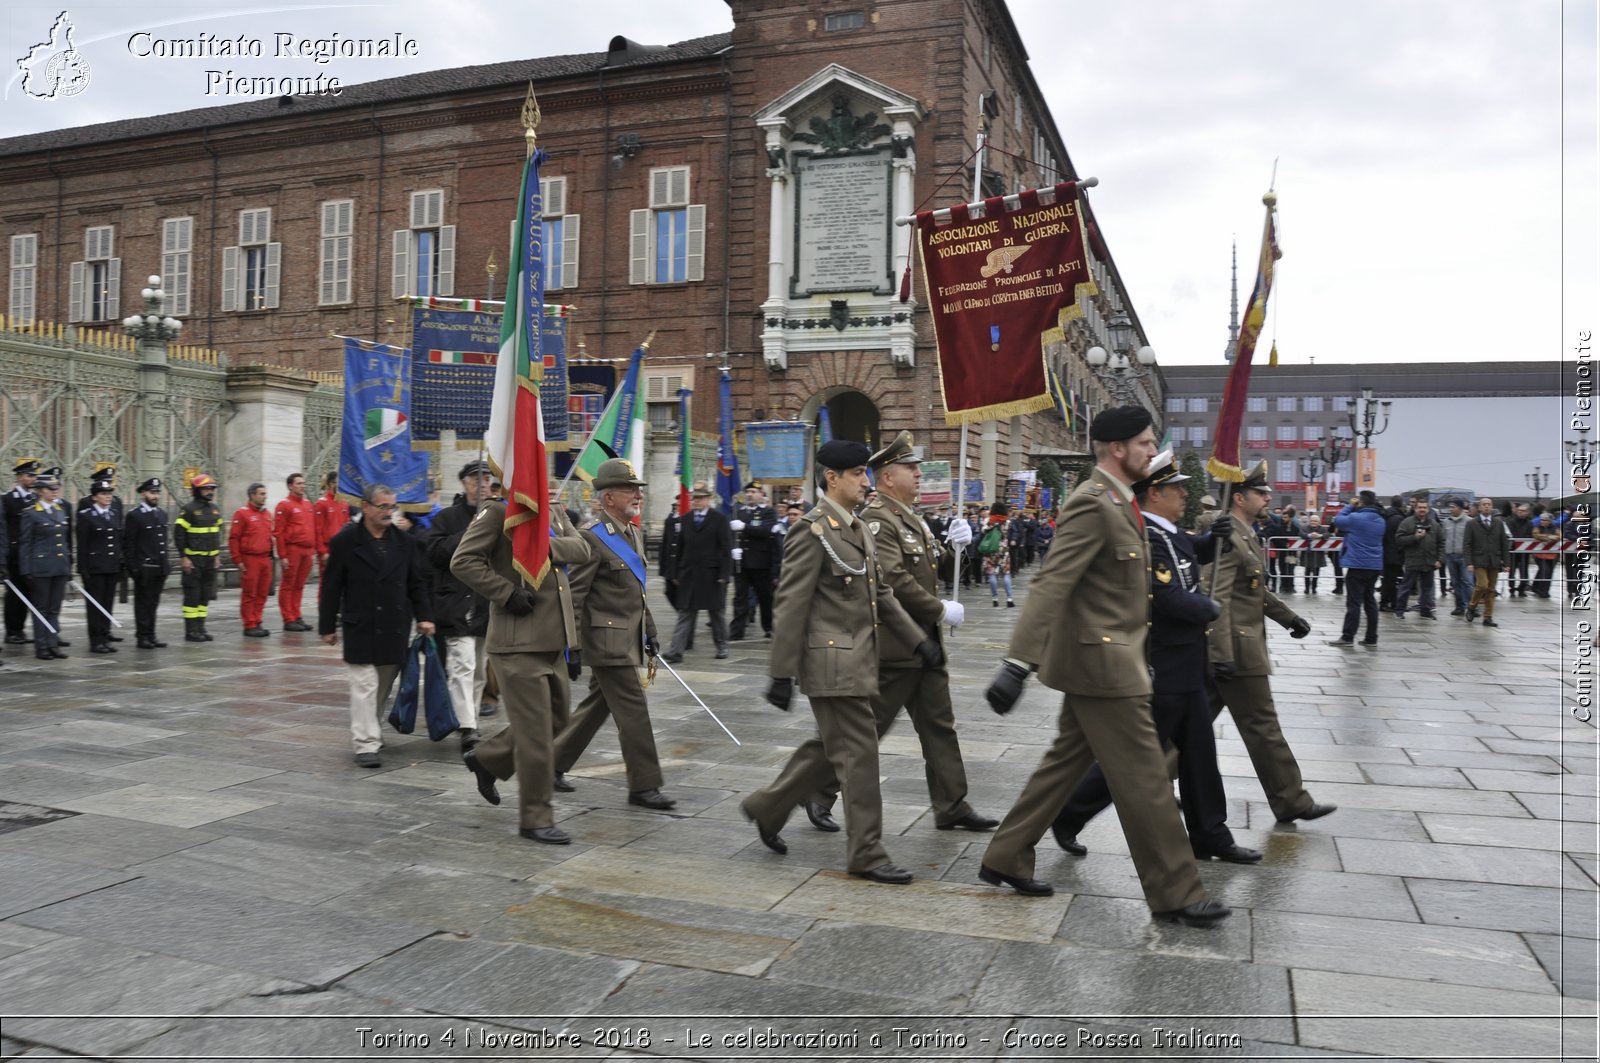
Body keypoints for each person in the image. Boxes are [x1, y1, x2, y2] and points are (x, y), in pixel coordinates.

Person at [980, 407, 1227, 926]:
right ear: (1117, 448)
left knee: (1062, 766)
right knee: (1147, 782)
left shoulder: (1120, 502)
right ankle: (1177, 891)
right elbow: (1052, 583)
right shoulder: (1092, 504)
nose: (1150, 450)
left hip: (1114, 659)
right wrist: (1017, 663)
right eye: (1144, 442)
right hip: (1104, 666)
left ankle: (1006, 853)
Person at [741, 439, 935, 884]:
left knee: (829, 752)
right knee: (860, 758)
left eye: (866, 474)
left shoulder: (857, 528)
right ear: (832, 477)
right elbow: (790, 603)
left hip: (857, 661)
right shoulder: (812, 530)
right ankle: (866, 852)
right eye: (858, 475)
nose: (866, 482)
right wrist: (780, 673)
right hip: (832, 664)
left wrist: (915, 638)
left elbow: (880, 594)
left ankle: (767, 807)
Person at [1051, 450, 1258, 863]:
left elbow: (1183, 557)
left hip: (1187, 665)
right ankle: (1067, 814)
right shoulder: (1146, 533)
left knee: (1200, 756)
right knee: (1135, 762)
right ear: (1155, 493)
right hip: (1163, 666)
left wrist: (1209, 542)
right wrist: (1207, 609)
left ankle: (1210, 835)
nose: (1185, 494)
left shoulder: (1168, 531)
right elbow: (1165, 595)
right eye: (1177, 488)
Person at [802, 432, 995, 835]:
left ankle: (951, 804)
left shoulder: (912, 517)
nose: (919, 474)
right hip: (895, 647)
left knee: (940, 727)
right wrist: (939, 609)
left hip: (925, 648)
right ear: (888, 477)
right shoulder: (877, 519)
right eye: (911, 468)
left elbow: (935, 569)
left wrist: (958, 546)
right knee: (863, 731)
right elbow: (891, 579)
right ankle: (816, 791)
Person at [451, 477, 590, 844]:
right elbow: (462, 561)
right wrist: (505, 592)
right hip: (517, 641)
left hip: (553, 640)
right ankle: (535, 818)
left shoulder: (556, 511)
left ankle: (487, 759)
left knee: (558, 719)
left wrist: (539, 547)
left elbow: (582, 549)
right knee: (535, 737)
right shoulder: (499, 512)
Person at [1206, 461, 1331, 829]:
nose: (1269, 498)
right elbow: (1217, 597)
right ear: (1240, 497)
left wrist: (1288, 617)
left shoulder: (1246, 533)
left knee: (1187, 725)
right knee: (1263, 725)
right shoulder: (1228, 535)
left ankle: (1141, 784)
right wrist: (1222, 653)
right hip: (1236, 651)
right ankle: (1291, 800)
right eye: (1262, 493)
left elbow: (1252, 591)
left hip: (1232, 649)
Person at [553, 459, 675, 810]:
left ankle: (553, 764)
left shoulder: (632, 533)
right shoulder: (592, 538)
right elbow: (573, 596)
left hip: (627, 639)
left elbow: (635, 594)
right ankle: (644, 785)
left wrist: (649, 631)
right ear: (608, 499)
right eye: (630, 490)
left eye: (638, 489)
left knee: (596, 706)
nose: (638, 495)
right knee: (634, 711)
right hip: (606, 644)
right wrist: (571, 646)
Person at [319, 483, 434, 768]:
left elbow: (416, 584)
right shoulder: (345, 542)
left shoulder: (405, 543)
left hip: (394, 625)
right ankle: (365, 743)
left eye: (391, 507)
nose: (388, 512)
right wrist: (327, 626)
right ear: (366, 506)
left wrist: (425, 616)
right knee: (364, 685)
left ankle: (372, 729)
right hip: (360, 624)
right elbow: (332, 586)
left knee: (381, 686)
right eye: (382, 506)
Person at [423, 460, 497, 752]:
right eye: (475, 478)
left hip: (485, 604)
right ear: (464, 483)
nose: (481, 483)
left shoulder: (496, 515)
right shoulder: (447, 517)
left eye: (486, 478)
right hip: (456, 602)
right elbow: (434, 552)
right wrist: (466, 534)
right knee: (463, 666)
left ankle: (471, 718)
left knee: (479, 669)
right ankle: (467, 727)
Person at [662, 482, 732, 662]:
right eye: (695, 499)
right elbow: (679, 549)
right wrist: (675, 572)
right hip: (690, 574)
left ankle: (722, 646)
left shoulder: (719, 519)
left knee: (716, 613)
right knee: (685, 613)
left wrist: (725, 575)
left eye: (700, 498)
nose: (696, 502)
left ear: (708, 500)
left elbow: (726, 548)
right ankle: (676, 651)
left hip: (712, 575)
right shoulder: (685, 519)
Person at [19, 471, 70, 660]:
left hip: (59, 566)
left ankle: (53, 642)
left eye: (56, 488)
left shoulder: (59, 510)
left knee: (54, 608)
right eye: (51, 489)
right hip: (40, 567)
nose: (55, 492)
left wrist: (67, 564)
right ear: (40, 491)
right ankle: (41, 645)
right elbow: (26, 543)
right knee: (40, 608)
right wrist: (26, 570)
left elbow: (63, 542)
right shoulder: (31, 513)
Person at [1331, 490, 1386, 646]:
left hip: (1357, 565)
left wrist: (1349, 506)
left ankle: (1348, 637)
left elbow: (1338, 520)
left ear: (1361, 502)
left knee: (1354, 603)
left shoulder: (1356, 518)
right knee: (1370, 602)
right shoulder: (1381, 520)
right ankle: (1371, 638)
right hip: (1374, 565)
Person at [76, 477, 124, 653]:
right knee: (95, 605)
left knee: (107, 603)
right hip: (95, 567)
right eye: (104, 494)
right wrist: (83, 569)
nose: (108, 497)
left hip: (111, 567)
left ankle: (105, 637)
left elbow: (118, 541)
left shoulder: (113, 514)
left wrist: (120, 563)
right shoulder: (87, 516)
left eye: (109, 493)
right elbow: (82, 545)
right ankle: (95, 640)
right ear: (94, 497)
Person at [123, 478, 171, 649]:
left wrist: (165, 565)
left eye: (157, 492)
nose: (155, 496)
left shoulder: (162, 514)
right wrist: (134, 568)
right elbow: (129, 544)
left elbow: (162, 542)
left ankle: (151, 634)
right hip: (144, 567)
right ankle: (142, 636)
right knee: (143, 603)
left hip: (159, 567)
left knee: (153, 603)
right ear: (143, 493)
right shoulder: (135, 515)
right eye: (152, 492)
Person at [175, 473, 223, 642]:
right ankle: (191, 631)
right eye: (206, 488)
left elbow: (217, 535)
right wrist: (184, 557)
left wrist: (216, 556)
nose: (210, 491)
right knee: (192, 596)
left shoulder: (215, 509)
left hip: (210, 560)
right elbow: (179, 535)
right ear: (196, 490)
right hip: (194, 561)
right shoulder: (188, 510)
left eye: (211, 488)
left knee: (204, 595)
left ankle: (201, 627)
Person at [729, 481, 778, 640]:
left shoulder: (768, 512)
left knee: (765, 597)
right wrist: (732, 548)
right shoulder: (739, 512)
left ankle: (769, 627)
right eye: (748, 492)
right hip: (741, 562)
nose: (750, 494)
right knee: (740, 598)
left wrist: (744, 527)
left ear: (761, 495)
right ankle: (737, 631)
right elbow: (731, 534)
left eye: (754, 492)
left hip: (761, 563)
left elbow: (765, 530)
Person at [229, 483, 275, 638]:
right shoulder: (242, 514)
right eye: (261, 494)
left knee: (262, 592)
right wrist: (238, 560)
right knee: (250, 593)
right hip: (250, 559)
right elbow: (234, 538)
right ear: (252, 495)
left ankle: (257, 620)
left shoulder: (267, 514)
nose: (264, 496)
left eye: (265, 494)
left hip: (264, 559)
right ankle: (249, 624)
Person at [274, 472, 317, 631]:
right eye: (299, 483)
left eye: (303, 483)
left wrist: (312, 550)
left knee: (299, 585)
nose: (302, 486)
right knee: (288, 584)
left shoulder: (307, 504)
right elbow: (279, 532)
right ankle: (288, 618)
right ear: (290, 486)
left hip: (307, 550)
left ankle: (297, 615)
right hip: (293, 549)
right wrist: (282, 555)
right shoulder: (284, 505)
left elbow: (313, 528)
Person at [4, 458, 40, 645]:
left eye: (34, 475)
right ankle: (12, 631)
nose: (33, 478)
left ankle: (21, 629)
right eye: (29, 475)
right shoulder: (8, 499)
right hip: (15, 555)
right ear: (19, 477)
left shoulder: (35, 499)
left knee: (28, 593)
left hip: (32, 555)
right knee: (14, 595)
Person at [1394, 496, 1444, 619]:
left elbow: (1441, 543)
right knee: (1406, 586)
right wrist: (1414, 538)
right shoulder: (1407, 522)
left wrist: (1440, 559)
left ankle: (1426, 610)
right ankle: (1399, 610)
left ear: (1428, 509)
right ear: (1415, 509)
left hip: (1429, 561)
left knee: (1427, 588)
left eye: (1424, 508)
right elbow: (1399, 539)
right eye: (1420, 507)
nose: (1422, 510)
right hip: (1413, 561)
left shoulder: (1434, 524)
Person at [1465, 497, 1511, 627]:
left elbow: (1504, 544)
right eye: (1484, 504)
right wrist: (1469, 562)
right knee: (1482, 585)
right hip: (1479, 560)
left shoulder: (1498, 523)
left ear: (1492, 507)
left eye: (1489, 504)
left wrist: (1506, 563)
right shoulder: (1472, 523)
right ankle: (1472, 606)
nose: (1486, 506)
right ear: (1479, 507)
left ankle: (1488, 616)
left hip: (1494, 560)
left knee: (1491, 589)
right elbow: (1467, 544)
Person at [1440, 498, 1476, 616]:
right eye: (1450, 506)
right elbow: (1443, 539)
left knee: (1468, 581)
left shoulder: (1469, 522)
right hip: (1450, 556)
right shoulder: (1446, 522)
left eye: (1453, 506)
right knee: (1455, 582)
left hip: (1464, 556)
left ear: (1460, 508)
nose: (1451, 509)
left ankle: (1472, 607)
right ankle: (1459, 606)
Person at [313, 471, 350, 585]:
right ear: (329, 484)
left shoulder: (344, 502)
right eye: (335, 482)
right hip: (328, 549)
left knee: (342, 583)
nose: (338, 485)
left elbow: (347, 527)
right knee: (326, 584)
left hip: (342, 548)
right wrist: (322, 552)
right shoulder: (321, 503)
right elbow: (317, 530)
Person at [979, 502, 1013, 606]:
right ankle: (1009, 599)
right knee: (1006, 573)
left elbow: (983, 531)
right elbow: (1007, 533)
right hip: (1003, 551)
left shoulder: (989, 520)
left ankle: (995, 598)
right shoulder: (1007, 521)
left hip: (990, 550)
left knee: (992, 574)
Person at [1379, 495, 1407, 610]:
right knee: (1392, 580)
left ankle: (1392, 602)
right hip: (1395, 553)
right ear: (1400, 504)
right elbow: (1401, 537)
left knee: (1389, 579)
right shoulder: (1398, 518)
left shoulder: (1386, 515)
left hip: (1386, 552)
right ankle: (1386, 603)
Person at [1530, 513, 1561, 599]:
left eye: (1545, 520)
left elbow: (1559, 536)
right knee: (1544, 571)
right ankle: (1541, 590)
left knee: (1549, 573)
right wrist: (1549, 537)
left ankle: (1545, 591)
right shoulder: (1537, 527)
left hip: (1552, 555)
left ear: (1550, 521)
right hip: (1539, 555)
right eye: (1542, 520)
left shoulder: (1555, 528)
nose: (1543, 522)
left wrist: (1550, 538)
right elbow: (1536, 535)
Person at [1506, 502, 1534, 597]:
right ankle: (1512, 587)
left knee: (1524, 570)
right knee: (1512, 570)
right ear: (1517, 511)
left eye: (1524, 511)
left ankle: (1522, 588)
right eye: (1520, 511)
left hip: (1525, 551)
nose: (1522, 513)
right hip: (1513, 550)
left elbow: (1531, 534)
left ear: (1527, 512)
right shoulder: (1511, 521)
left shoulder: (1530, 523)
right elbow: (1511, 534)